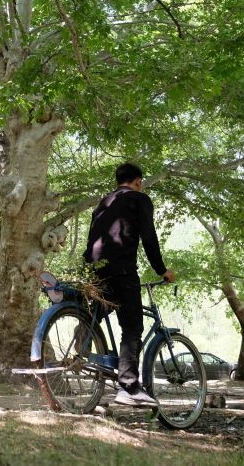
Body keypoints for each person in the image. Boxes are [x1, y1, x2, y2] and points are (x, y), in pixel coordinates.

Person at [83, 162, 175, 407]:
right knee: (133, 325)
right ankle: (129, 386)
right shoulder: (139, 198)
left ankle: (82, 342)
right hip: (121, 267)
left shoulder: (104, 201)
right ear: (138, 181)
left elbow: (92, 235)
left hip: (94, 266)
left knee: (102, 308)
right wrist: (161, 269)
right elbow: (148, 236)